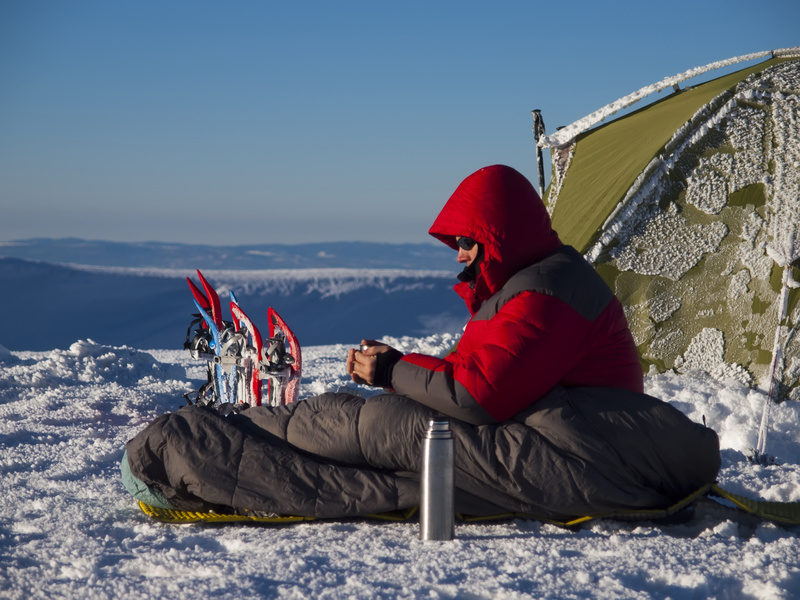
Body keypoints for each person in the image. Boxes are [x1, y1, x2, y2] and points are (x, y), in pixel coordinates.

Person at [122, 165, 720, 521]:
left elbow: (477, 395)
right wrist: (399, 370)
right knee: (366, 421)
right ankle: (220, 436)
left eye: (466, 240)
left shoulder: (546, 295)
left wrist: (392, 371)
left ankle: (192, 451)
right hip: (560, 433)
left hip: (585, 450)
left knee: (386, 430)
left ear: (499, 236)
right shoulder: (527, 287)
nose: (458, 255)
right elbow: (480, 376)